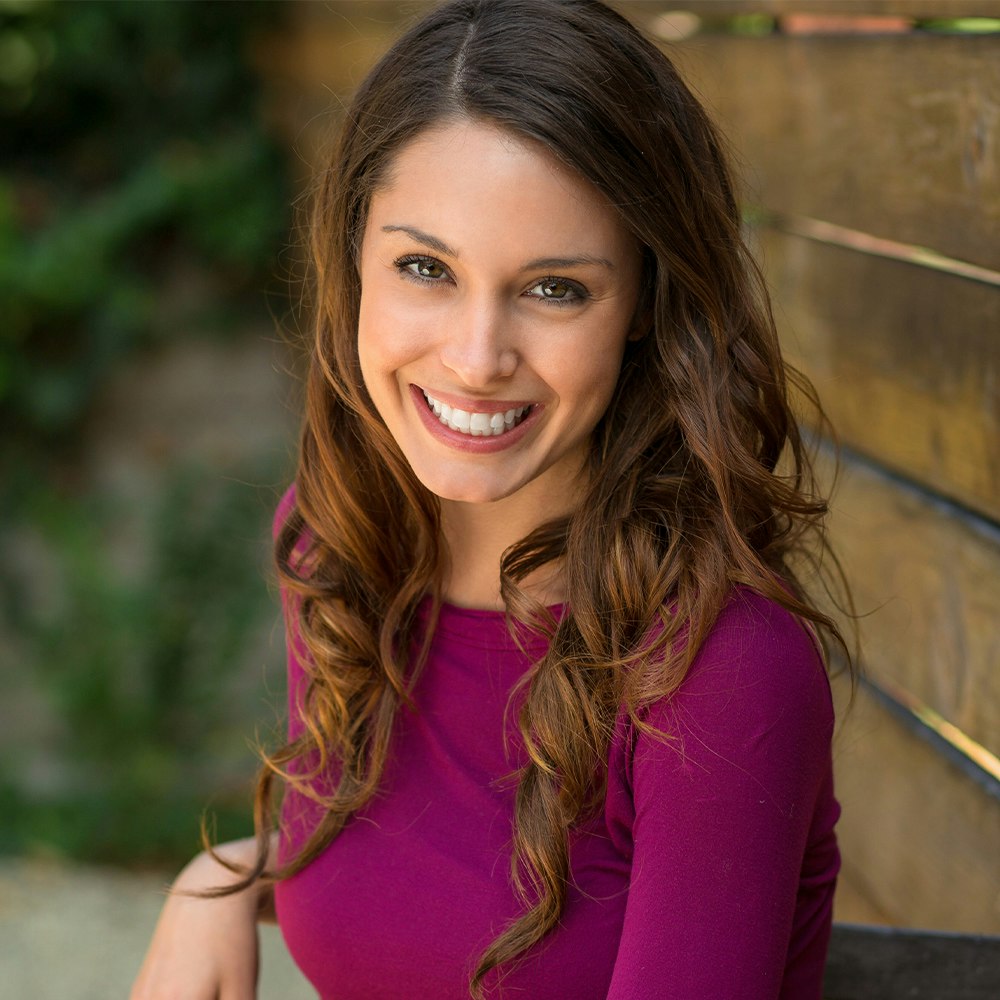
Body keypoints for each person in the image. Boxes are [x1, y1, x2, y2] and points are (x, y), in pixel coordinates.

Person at [132, 1, 852, 997]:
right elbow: (426, 868)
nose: (476, 359)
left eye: (555, 288)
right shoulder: (340, 547)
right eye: (425, 268)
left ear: (645, 305)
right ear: (353, 265)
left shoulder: (720, 673)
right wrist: (221, 874)